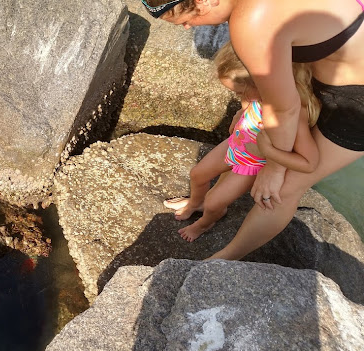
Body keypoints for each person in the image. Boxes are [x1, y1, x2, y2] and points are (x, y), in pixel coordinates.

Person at [141, 0, 364, 259]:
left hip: (355, 102)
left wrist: (274, 167)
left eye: (186, 21)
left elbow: (285, 109)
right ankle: (207, 203)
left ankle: (223, 259)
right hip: (332, 72)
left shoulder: (251, 20)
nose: (187, 28)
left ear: (204, 1)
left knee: (281, 190)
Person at [164, 42, 321, 242]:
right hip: (234, 144)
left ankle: (206, 222)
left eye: (240, 93)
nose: (238, 97)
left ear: (261, 84)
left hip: (251, 164)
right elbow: (250, 107)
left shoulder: (295, 112)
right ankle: (195, 203)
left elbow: (309, 163)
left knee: (215, 203)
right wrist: (240, 112)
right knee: (197, 175)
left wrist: (269, 152)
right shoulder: (259, 93)